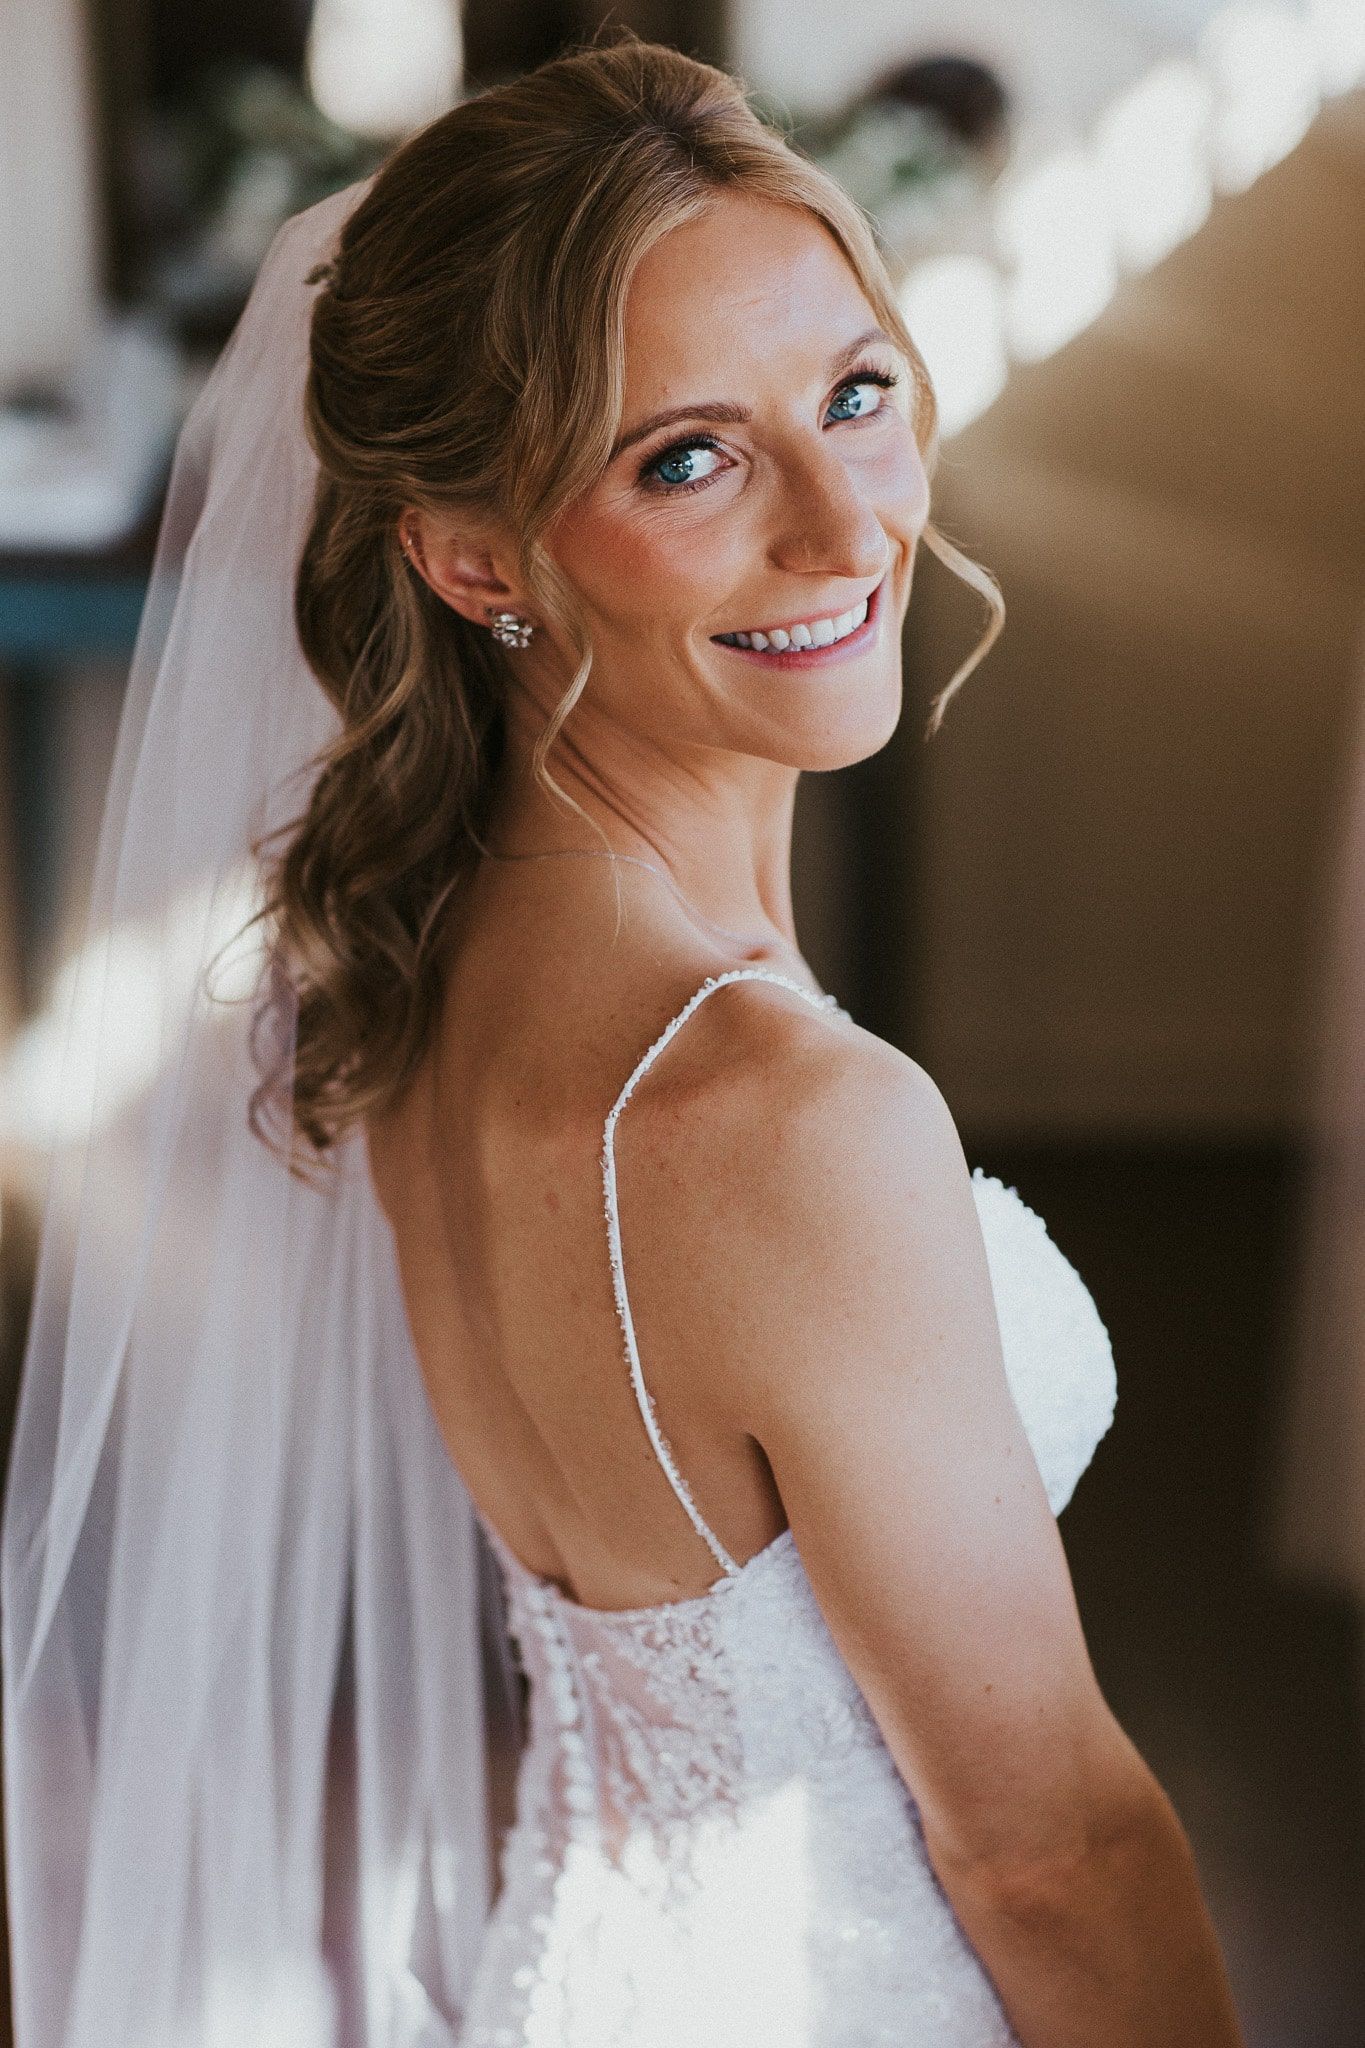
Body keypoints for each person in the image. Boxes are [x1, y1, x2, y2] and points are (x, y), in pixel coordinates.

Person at [1, 35, 1246, 2048]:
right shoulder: (784, 1121)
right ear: (472, 555)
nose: (847, 527)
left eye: (852, 393)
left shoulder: (419, 960)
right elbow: (1044, 1850)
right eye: (686, 455)